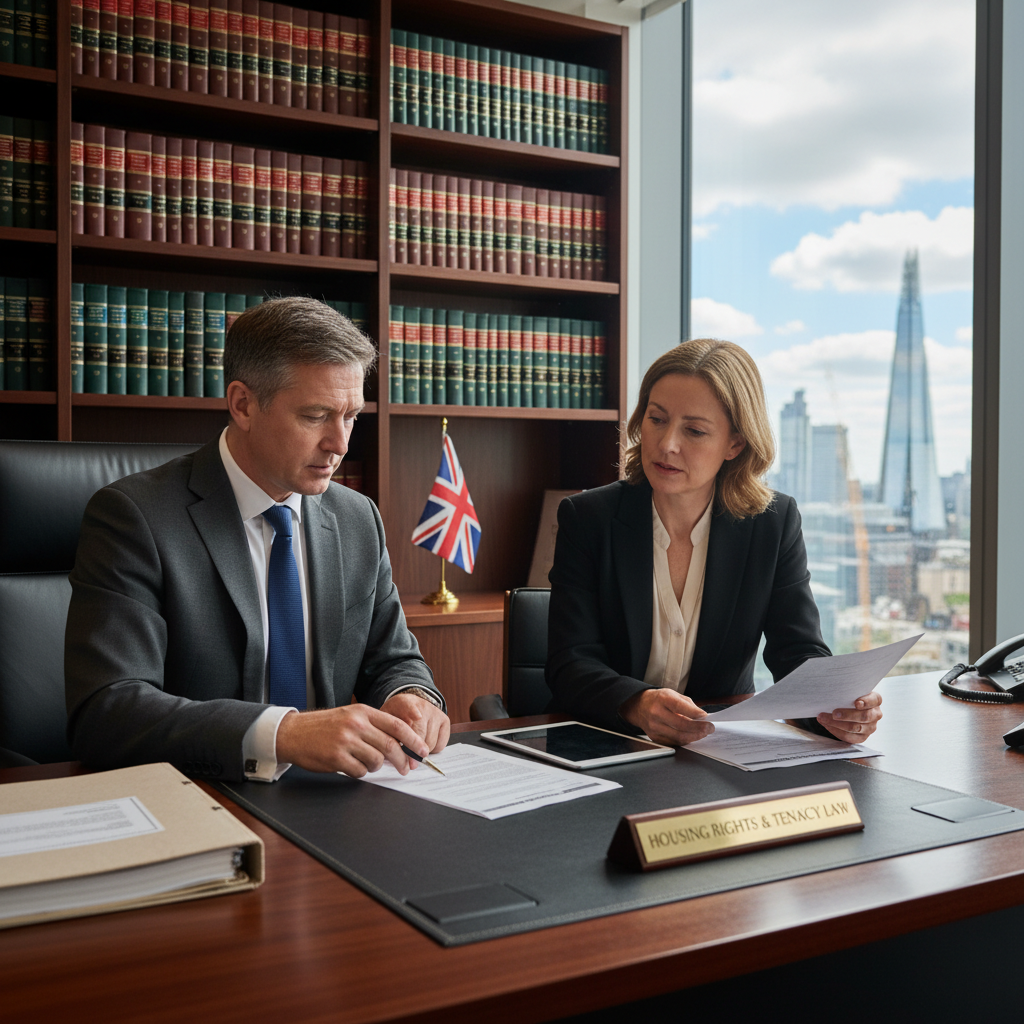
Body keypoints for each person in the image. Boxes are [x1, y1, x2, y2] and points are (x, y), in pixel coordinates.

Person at [65, 297, 450, 783]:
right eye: (316, 416)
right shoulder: (135, 517)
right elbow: (107, 710)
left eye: (351, 415)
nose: (341, 443)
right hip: (205, 796)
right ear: (243, 405)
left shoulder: (357, 518)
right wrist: (281, 734)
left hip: (334, 804)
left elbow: (392, 658)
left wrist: (410, 696)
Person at [546, 338, 882, 747]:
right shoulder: (588, 518)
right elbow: (571, 662)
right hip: (611, 743)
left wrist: (834, 708)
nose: (667, 443)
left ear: (735, 444)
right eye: (656, 419)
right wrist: (637, 703)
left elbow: (797, 651)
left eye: (694, 430)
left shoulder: (772, 524)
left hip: (717, 748)